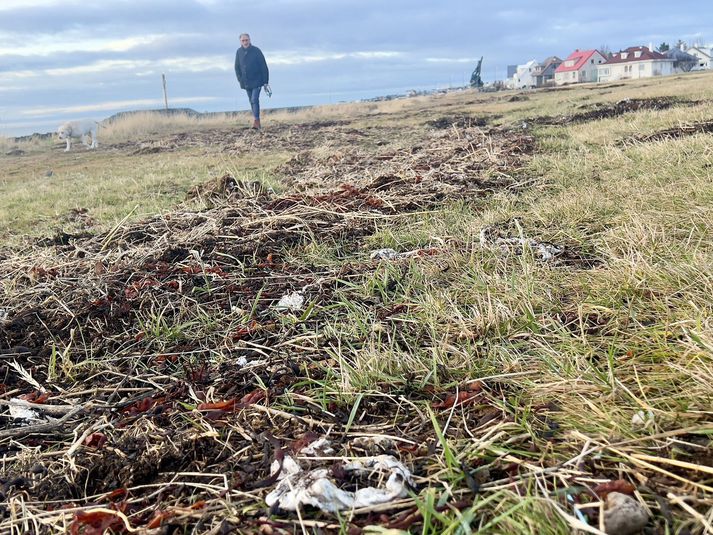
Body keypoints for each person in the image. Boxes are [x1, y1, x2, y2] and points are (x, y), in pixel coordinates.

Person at [234, 33, 269, 129]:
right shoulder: (239, 52)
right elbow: (237, 67)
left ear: (250, 40)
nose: (245, 42)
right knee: (251, 101)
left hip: (257, 80)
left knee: (254, 99)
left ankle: (256, 121)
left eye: (246, 40)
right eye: (243, 40)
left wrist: (265, 82)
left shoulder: (256, 51)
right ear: (240, 41)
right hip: (246, 82)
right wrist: (240, 79)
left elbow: (264, 66)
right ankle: (257, 124)